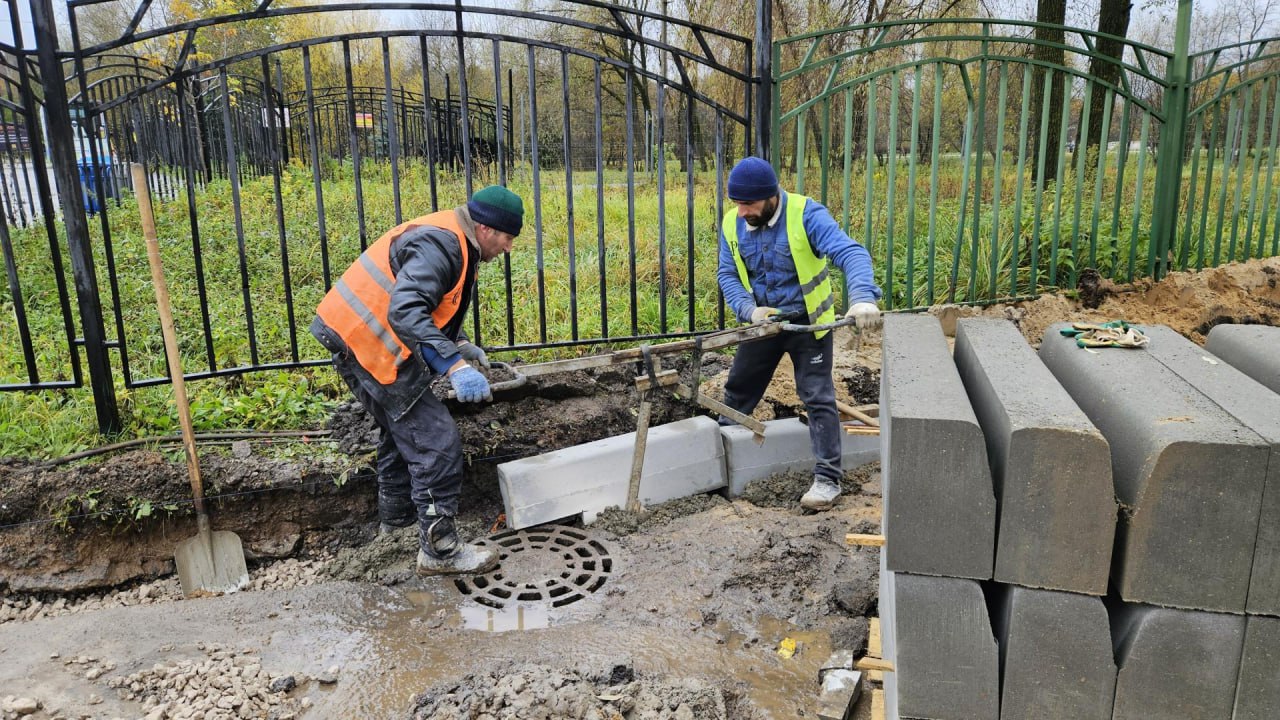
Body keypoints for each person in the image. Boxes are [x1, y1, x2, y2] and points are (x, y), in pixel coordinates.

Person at [309, 185, 524, 575]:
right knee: (436, 441)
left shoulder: (457, 241)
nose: (509, 248)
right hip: (368, 343)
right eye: (509, 238)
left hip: (358, 337)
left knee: (402, 431)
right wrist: (454, 367)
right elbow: (407, 313)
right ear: (487, 228)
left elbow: (432, 303)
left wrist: (458, 343)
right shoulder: (441, 245)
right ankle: (440, 550)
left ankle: (396, 524)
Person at [717, 157, 882, 511]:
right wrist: (750, 311)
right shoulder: (734, 223)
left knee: (817, 396)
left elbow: (850, 253)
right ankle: (715, 460)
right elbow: (727, 274)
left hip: (809, 326)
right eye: (737, 204)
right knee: (738, 389)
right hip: (765, 324)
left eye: (749, 204)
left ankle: (827, 480)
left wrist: (863, 299)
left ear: (771, 196)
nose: (742, 212)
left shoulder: (806, 215)